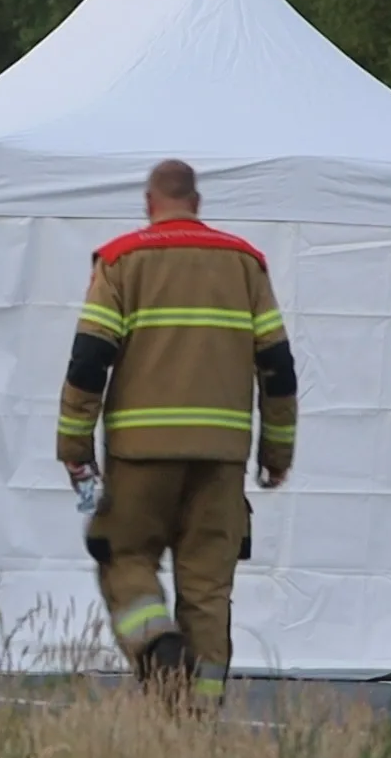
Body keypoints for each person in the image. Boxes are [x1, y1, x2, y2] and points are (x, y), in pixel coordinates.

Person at [55, 159, 297, 712]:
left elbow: (90, 361)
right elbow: (278, 367)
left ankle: (156, 642)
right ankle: (199, 718)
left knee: (124, 556)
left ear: (148, 203)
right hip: (221, 460)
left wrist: (73, 448)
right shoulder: (246, 265)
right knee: (209, 592)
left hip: (139, 458)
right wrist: (276, 452)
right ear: (198, 202)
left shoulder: (121, 262)